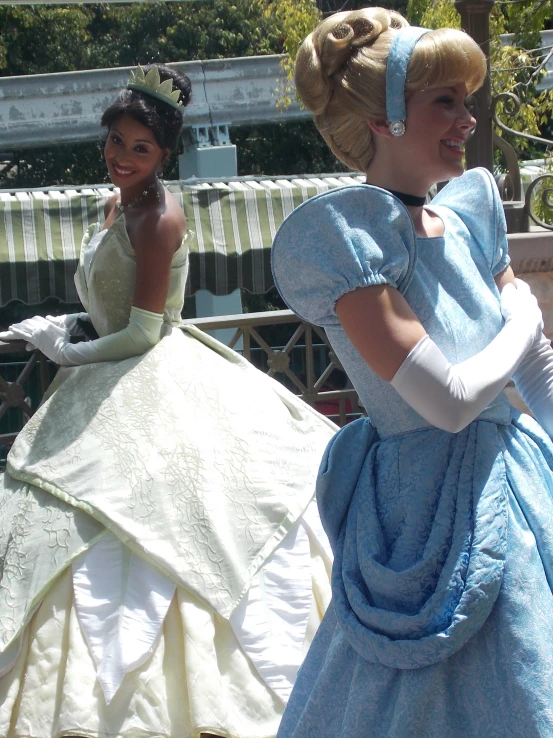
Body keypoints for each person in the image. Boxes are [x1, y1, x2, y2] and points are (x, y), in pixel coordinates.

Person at [0, 63, 335, 738]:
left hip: (154, 371)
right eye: (116, 143)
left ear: (165, 155)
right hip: (103, 375)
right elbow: (110, 307)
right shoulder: (116, 203)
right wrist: (71, 328)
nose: (121, 158)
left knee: (180, 513)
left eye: (139, 149)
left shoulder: (159, 217)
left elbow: (146, 331)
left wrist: (66, 350)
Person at [271, 8, 553, 737]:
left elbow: (532, 370)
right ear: (385, 119)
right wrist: (522, 317)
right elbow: (449, 403)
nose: (466, 119)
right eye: (444, 102)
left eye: (466, 100)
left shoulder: (467, 214)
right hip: (423, 508)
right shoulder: (349, 241)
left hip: (520, 482)